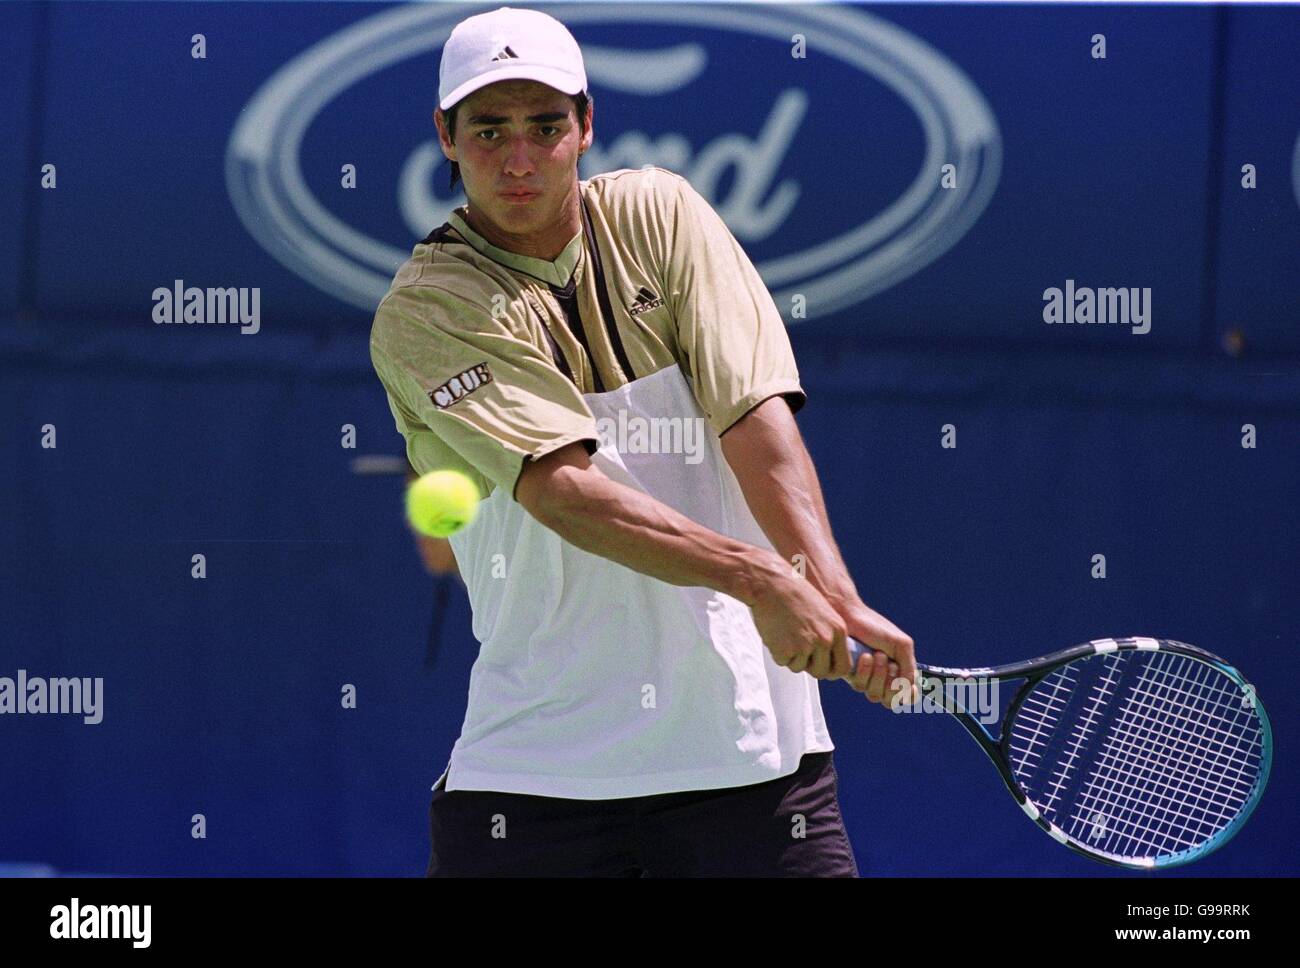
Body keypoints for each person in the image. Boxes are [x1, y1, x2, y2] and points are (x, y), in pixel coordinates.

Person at [369, 6, 917, 877]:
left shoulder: (662, 214)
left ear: (586, 124)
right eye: (489, 129)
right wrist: (763, 578)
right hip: (536, 790)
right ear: (445, 135)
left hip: (759, 770)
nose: (517, 158)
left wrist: (836, 595)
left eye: (545, 125)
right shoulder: (427, 308)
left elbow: (754, 416)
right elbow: (562, 490)